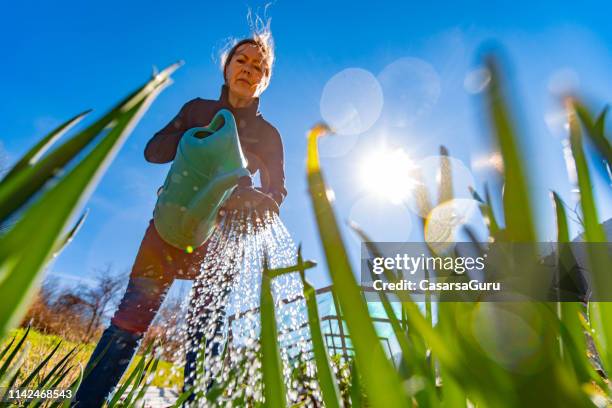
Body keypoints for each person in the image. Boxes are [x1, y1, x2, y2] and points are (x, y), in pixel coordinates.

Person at [73, 31, 286, 407]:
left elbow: (276, 191)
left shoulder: (268, 136)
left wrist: (260, 202)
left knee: (205, 334)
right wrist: (190, 136)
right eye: (242, 61)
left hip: (222, 239)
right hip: (168, 227)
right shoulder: (197, 110)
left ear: (265, 82)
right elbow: (153, 152)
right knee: (129, 322)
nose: (249, 70)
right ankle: (85, 403)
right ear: (226, 67)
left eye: (259, 67)